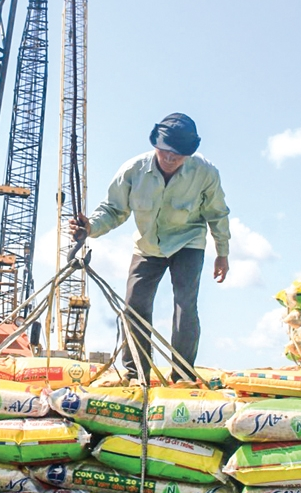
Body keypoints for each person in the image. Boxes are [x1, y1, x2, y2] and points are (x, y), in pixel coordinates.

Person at [69, 113, 230, 384]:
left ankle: (182, 374)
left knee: (184, 304)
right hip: (147, 245)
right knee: (135, 304)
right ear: (156, 144)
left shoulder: (205, 173)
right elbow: (113, 209)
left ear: (188, 154)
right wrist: (90, 227)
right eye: (165, 152)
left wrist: (222, 252)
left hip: (188, 241)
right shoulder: (133, 170)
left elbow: (217, 213)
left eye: (177, 156)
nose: (169, 159)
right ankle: (135, 374)